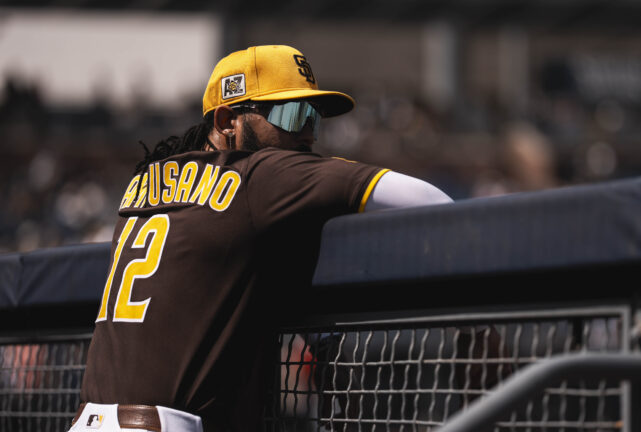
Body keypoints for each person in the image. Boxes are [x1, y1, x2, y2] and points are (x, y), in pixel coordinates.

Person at [69, 45, 452, 432]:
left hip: (87, 420)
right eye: (289, 114)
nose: (306, 132)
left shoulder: (140, 184)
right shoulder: (260, 175)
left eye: (313, 117)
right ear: (226, 121)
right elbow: (434, 202)